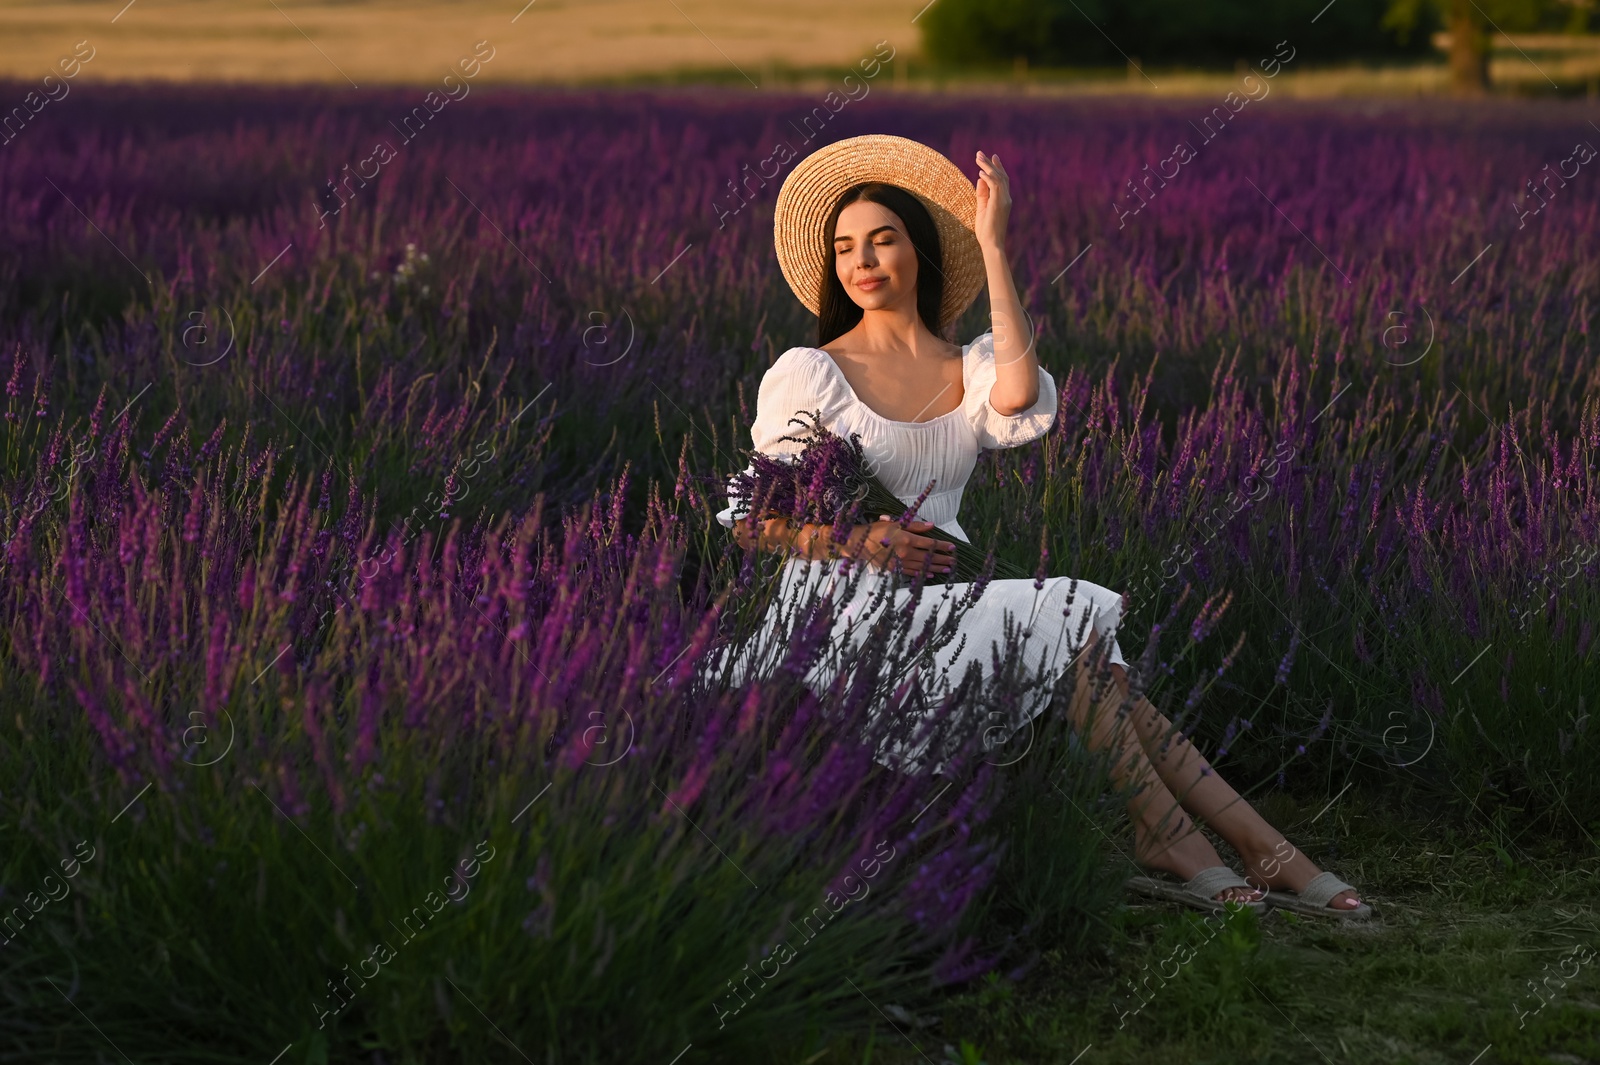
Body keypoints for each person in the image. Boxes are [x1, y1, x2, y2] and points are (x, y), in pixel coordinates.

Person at [710, 134, 1368, 919]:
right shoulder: (810, 371)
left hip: (935, 600)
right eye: (846, 246)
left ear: (919, 251)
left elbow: (1019, 397)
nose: (864, 260)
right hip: (836, 614)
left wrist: (994, 247)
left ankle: (1220, 843)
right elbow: (754, 520)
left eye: (884, 239)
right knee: (1068, 617)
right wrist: (857, 540)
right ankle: (1227, 844)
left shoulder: (968, 365)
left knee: (1089, 659)